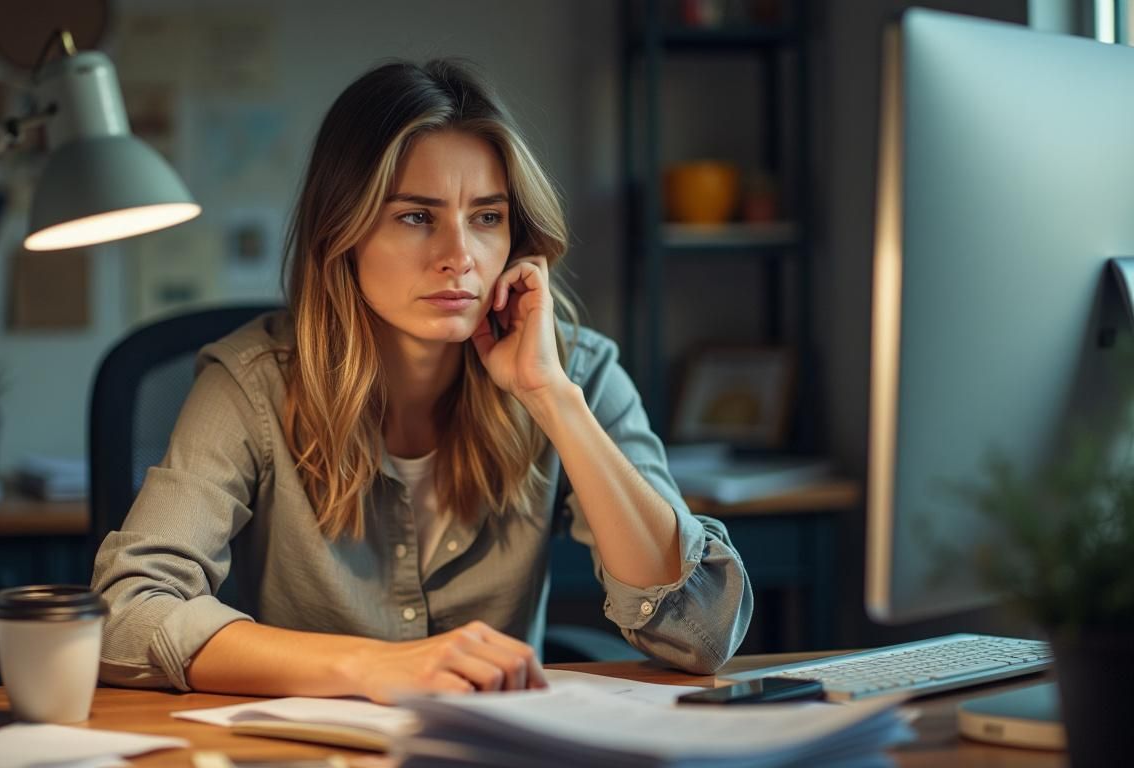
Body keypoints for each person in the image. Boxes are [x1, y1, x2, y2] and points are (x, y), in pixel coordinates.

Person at [91, 59, 752, 704]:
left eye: (487, 218)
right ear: (342, 231)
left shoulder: (575, 372)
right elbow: (125, 615)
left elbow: (702, 633)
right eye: (416, 217)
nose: (459, 257)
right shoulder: (250, 384)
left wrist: (552, 400)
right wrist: (376, 666)